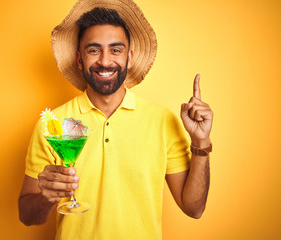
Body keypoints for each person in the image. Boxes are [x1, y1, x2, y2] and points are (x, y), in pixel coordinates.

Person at [18, 0, 213, 239]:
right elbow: (27, 216)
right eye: (93, 50)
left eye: (115, 50)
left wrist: (201, 142)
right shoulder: (53, 123)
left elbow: (194, 209)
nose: (105, 60)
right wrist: (45, 197)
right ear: (80, 60)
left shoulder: (162, 121)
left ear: (129, 57)